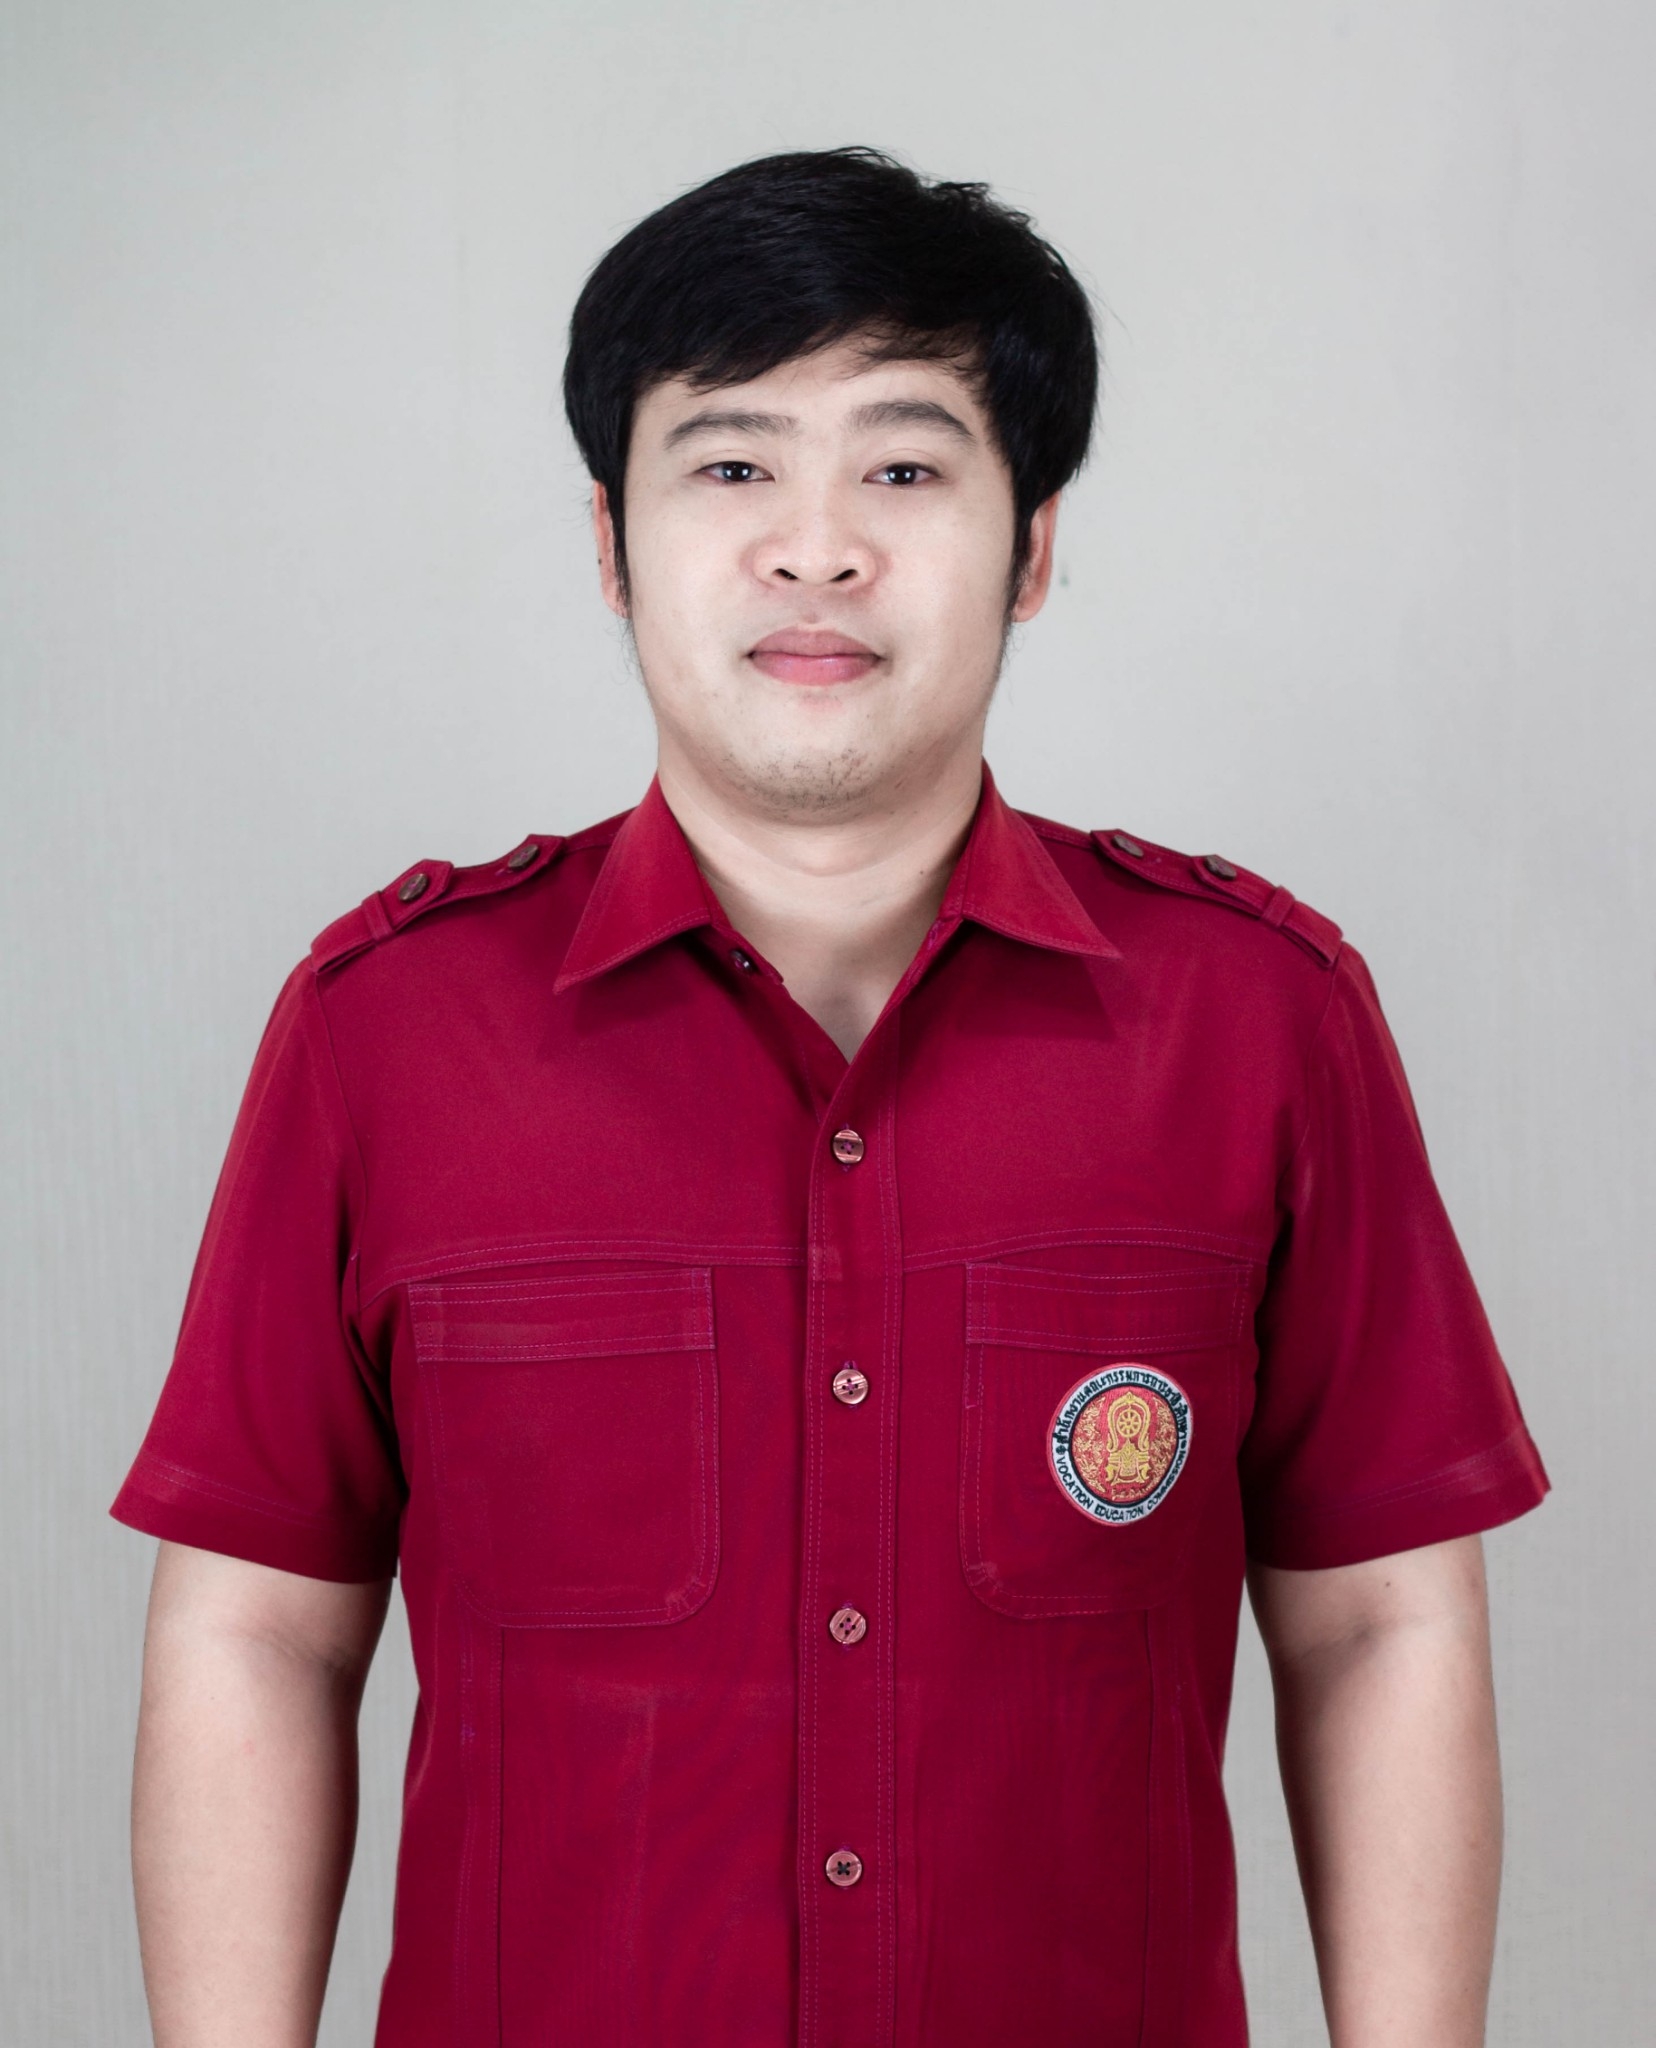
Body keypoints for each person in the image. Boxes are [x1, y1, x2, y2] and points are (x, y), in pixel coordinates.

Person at [110, 147, 1549, 2047]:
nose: (816, 550)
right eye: (729, 467)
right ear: (611, 545)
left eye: (903, 469)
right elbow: (259, 1635)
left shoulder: (1260, 1020)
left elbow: (1377, 1623)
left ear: (1033, 547)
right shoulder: (385, 1032)